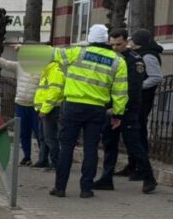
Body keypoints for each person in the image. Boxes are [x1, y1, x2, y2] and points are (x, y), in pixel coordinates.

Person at [51, 24, 128, 199]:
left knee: (66, 147)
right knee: (91, 148)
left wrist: (24, 50)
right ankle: (86, 189)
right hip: (97, 109)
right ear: (106, 40)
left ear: (90, 39)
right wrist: (118, 114)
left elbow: (52, 54)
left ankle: (60, 188)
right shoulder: (118, 61)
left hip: (73, 107)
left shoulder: (77, 52)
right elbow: (120, 91)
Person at [93, 29, 157, 194]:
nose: (115, 48)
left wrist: (120, 109)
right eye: (112, 44)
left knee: (133, 144)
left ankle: (148, 178)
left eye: (119, 44)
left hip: (128, 110)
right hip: (110, 109)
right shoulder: (109, 58)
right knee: (109, 144)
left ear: (126, 42)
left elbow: (133, 89)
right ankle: (106, 178)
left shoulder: (134, 61)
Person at [0, 49, 42, 166]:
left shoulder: (41, 70)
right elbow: (5, 64)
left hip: (36, 106)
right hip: (21, 104)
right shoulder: (20, 66)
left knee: (39, 133)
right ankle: (27, 157)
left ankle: (43, 158)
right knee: (23, 132)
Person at [121, 29, 164, 179]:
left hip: (143, 100)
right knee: (132, 134)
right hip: (137, 99)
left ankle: (140, 168)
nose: (129, 42)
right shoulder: (139, 54)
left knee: (139, 133)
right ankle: (132, 165)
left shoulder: (148, 56)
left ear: (138, 42)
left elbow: (156, 77)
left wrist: (137, 86)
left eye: (132, 39)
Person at [33, 47, 67, 171]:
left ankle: (55, 163)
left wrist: (45, 109)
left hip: (50, 110)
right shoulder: (47, 71)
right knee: (43, 137)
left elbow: (54, 93)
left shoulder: (55, 72)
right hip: (44, 109)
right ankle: (43, 160)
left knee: (50, 138)